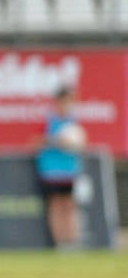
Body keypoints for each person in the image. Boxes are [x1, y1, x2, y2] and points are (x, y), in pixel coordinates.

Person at [36, 86, 84, 250]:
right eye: (64, 101)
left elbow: (81, 143)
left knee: (69, 205)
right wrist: (56, 140)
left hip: (69, 170)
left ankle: (72, 241)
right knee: (56, 205)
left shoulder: (73, 122)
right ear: (57, 102)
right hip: (51, 171)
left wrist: (75, 143)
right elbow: (36, 141)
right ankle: (59, 243)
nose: (67, 105)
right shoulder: (49, 121)